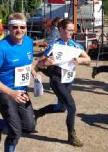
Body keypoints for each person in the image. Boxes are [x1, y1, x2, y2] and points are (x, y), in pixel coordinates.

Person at [0, 13, 40, 152]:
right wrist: (11, 92)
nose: (19, 30)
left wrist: (34, 74)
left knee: (29, 126)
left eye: (22, 27)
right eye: (15, 27)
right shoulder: (1, 48)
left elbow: (27, 62)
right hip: (4, 92)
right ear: (8, 27)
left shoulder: (28, 41)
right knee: (15, 132)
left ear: (26, 28)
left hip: (21, 90)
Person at [35, 19, 91, 147]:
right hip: (57, 80)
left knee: (62, 108)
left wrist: (80, 60)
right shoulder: (54, 45)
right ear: (61, 29)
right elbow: (39, 63)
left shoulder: (74, 45)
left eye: (73, 30)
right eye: (69, 30)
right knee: (72, 106)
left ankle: (38, 113)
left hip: (68, 80)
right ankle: (71, 135)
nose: (72, 32)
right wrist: (46, 63)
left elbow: (88, 59)